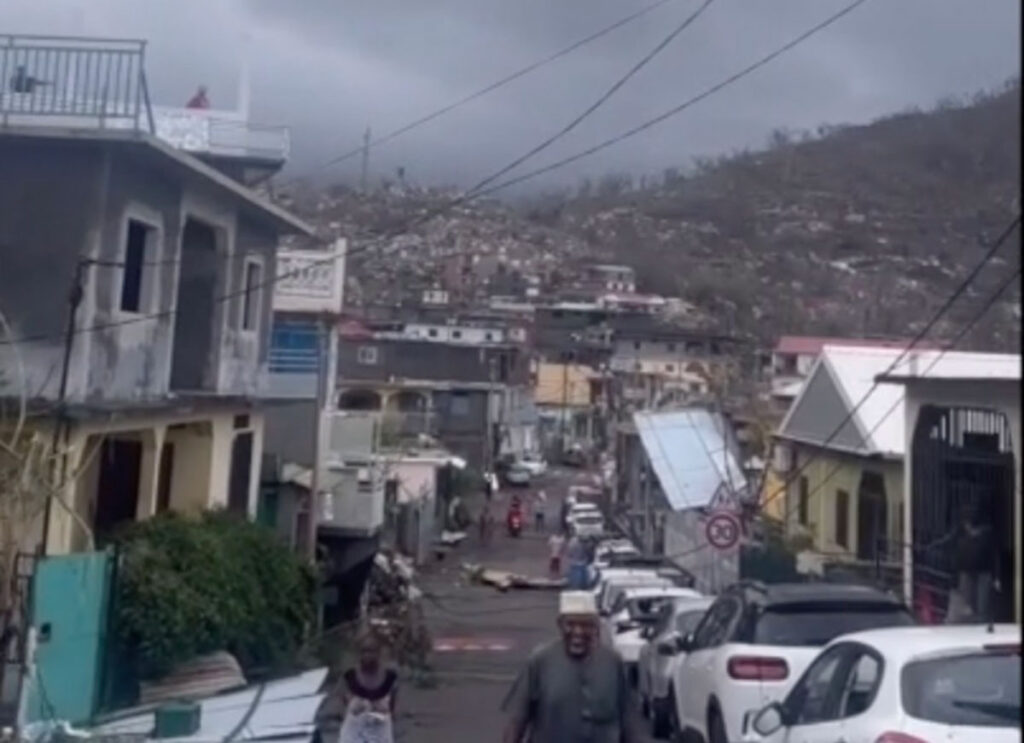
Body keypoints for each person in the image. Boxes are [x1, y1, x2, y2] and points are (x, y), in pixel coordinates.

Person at [502, 591, 636, 743]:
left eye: (585, 625)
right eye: (570, 624)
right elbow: (517, 720)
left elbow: (628, 721)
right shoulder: (540, 661)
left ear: (595, 628)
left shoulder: (612, 662)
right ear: (560, 625)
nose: (578, 632)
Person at [318, 633, 398, 743]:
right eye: (364, 651)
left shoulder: (390, 678)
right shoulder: (349, 677)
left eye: (372, 651)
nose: (368, 655)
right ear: (359, 654)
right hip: (353, 734)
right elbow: (342, 701)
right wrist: (355, 707)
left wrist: (382, 711)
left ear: (379, 653)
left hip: (381, 733)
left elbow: (392, 706)